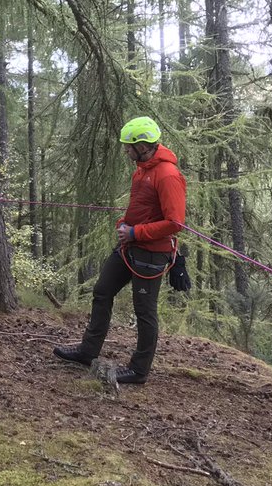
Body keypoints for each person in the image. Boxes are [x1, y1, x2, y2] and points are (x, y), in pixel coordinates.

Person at [54, 116, 186, 385]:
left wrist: (136, 232)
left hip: (151, 253)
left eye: (129, 146)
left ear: (143, 145)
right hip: (130, 246)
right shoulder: (142, 169)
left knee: (144, 311)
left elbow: (175, 222)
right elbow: (143, 207)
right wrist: (126, 224)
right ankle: (88, 351)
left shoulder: (167, 175)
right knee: (102, 290)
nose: (125, 150)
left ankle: (139, 371)